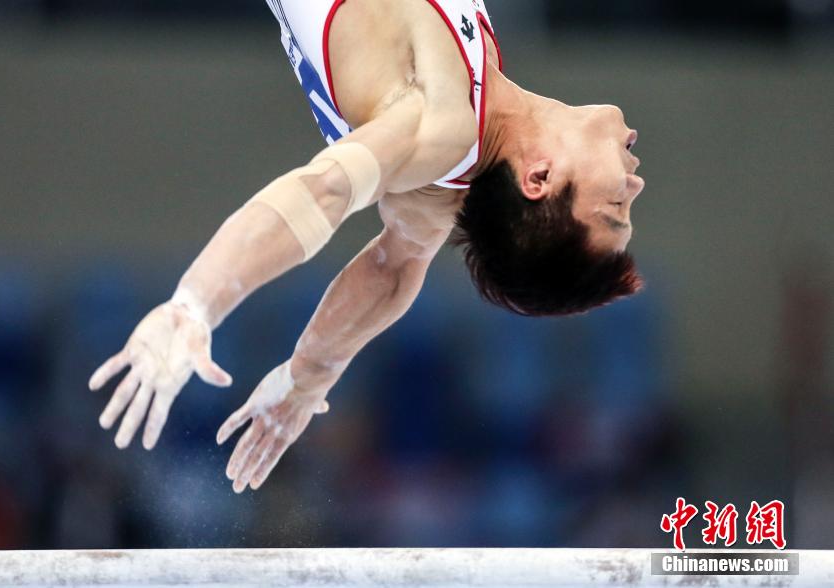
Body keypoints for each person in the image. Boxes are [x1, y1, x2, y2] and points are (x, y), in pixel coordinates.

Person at [88, 0, 646, 493]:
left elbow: (323, 191)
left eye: (614, 207)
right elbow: (393, 267)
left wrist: (196, 303)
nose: (635, 185)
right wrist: (306, 378)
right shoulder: (447, 174)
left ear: (539, 178)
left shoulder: (441, 122)